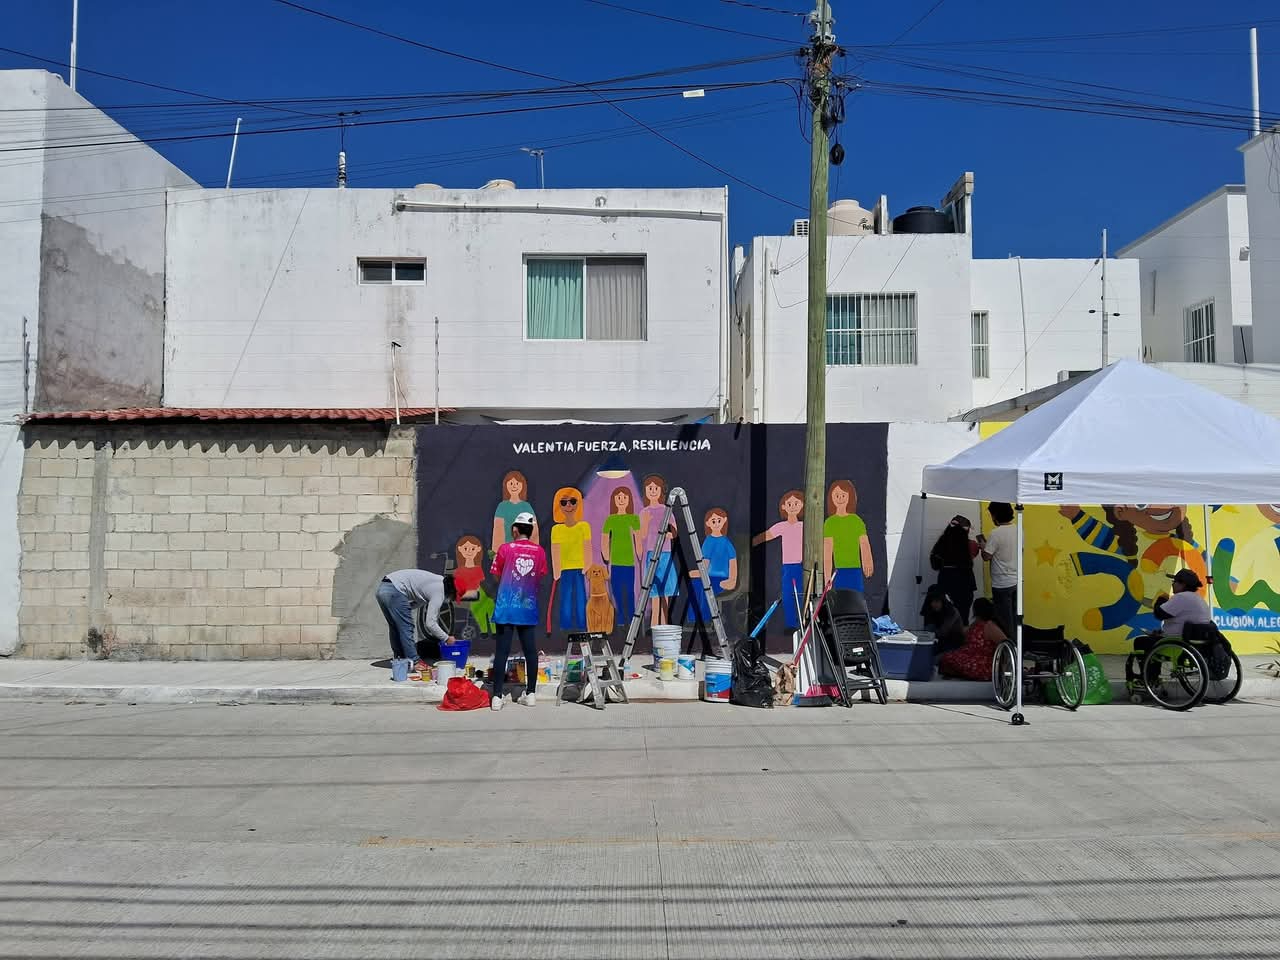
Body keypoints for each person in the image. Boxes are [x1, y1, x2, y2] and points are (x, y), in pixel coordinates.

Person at [488, 511, 548, 710]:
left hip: (506, 607)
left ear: (514, 529)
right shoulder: (539, 552)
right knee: (531, 651)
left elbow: (496, 575)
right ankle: (530, 694)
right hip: (527, 607)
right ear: (530, 531)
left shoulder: (505, 549)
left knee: (502, 652)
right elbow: (539, 576)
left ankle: (496, 697)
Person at [375, 569, 456, 678]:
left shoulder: (435, 582)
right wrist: (446, 638)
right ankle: (416, 662)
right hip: (395, 590)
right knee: (406, 627)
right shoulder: (440, 591)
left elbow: (417, 601)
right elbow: (430, 624)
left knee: (395, 627)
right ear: (452, 591)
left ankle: (400, 659)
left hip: (383, 588)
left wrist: (404, 609)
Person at [549, 486, 591, 632]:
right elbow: (555, 550)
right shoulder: (556, 529)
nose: (568, 505)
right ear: (558, 506)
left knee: (581, 599)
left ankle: (582, 626)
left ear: (578, 504)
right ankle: (565, 628)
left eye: (572, 501)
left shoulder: (584, 526)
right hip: (564, 569)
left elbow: (587, 547)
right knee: (565, 599)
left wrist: (587, 566)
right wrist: (556, 570)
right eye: (564, 502)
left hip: (581, 569)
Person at [601, 486, 642, 628]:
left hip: (629, 562)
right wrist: (606, 555)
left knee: (630, 591)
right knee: (617, 591)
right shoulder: (610, 519)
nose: (621, 500)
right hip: (615, 562)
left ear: (629, 500)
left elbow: (638, 538)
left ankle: (631, 618)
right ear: (614, 501)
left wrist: (640, 553)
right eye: (618, 497)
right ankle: (619, 619)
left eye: (624, 497)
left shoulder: (634, 519)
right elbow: (605, 539)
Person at [938, 597, 1006, 681]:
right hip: (970, 655)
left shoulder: (990, 625)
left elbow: (1005, 643)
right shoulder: (976, 624)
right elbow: (964, 632)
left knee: (959, 662)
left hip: (984, 661)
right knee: (946, 658)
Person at [823, 479, 874, 592]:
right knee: (841, 602)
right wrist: (827, 577)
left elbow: (864, 543)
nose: (840, 498)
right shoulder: (829, 523)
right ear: (831, 498)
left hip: (855, 570)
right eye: (837, 495)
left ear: (850, 497)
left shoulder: (857, 521)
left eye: (843, 495)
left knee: (856, 601)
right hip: (838, 571)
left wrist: (867, 560)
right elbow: (827, 551)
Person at [930, 514, 979, 623]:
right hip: (965, 582)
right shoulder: (971, 545)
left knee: (944, 618)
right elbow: (973, 554)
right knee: (963, 617)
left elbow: (935, 565)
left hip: (946, 581)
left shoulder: (941, 544)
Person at [979, 502, 1018, 635]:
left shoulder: (995, 534)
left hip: (1001, 584)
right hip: (1017, 581)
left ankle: (1007, 651)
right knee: (1016, 619)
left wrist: (983, 546)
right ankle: (1016, 648)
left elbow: (986, 557)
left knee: (1004, 621)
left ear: (995, 515)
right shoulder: (1019, 530)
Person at [1152, 569, 1213, 637]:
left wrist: (1162, 599)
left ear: (1183, 584)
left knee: (1141, 641)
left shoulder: (1182, 597)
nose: (1172, 584)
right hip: (1195, 639)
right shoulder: (1198, 598)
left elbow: (1159, 614)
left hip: (1177, 640)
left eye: (1174, 581)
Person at [920, 584, 966, 658]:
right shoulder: (931, 610)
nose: (933, 604)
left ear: (943, 601)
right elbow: (927, 631)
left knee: (935, 660)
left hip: (954, 645)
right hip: (940, 643)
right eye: (931, 601)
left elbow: (942, 632)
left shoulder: (952, 611)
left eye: (937, 601)